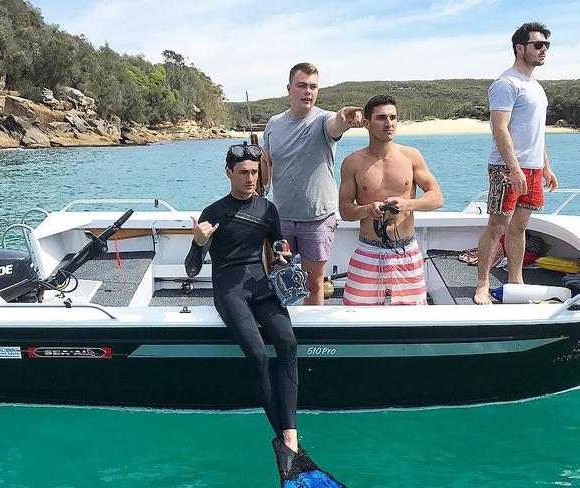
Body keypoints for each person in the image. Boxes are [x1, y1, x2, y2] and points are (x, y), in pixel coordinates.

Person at [185, 143, 345, 487]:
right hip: (229, 288)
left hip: (260, 285)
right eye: (242, 172)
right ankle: (289, 445)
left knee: (287, 344)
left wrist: (283, 254)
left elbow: (277, 247)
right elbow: (192, 269)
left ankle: (289, 436)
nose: (249, 179)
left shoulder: (267, 209)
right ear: (228, 173)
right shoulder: (213, 211)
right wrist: (199, 242)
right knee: (258, 354)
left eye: (254, 172)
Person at [260, 62, 363, 305]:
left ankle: (310, 336)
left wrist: (345, 118)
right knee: (279, 278)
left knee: (313, 282)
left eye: (313, 87)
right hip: (281, 217)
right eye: (302, 85)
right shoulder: (274, 124)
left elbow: (336, 125)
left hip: (317, 219)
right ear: (289, 88)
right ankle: (283, 330)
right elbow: (267, 162)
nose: (308, 91)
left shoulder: (323, 120)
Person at [473, 22, 558, 305]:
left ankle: (516, 279)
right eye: (538, 45)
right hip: (506, 168)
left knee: (519, 227)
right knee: (497, 226)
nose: (543, 49)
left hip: (532, 168)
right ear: (520, 48)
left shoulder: (536, 87)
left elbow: (536, 132)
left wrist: (545, 165)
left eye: (546, 45)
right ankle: (483, 284)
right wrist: (513, 168)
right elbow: (500, 129)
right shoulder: (506, 84)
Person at [339, 95, 443, 306]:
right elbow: (345, 211)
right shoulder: (352, 163)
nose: (389, 123)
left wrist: (407, 204)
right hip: (367, 251)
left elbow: (436, 197)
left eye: (393, 117)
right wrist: (368, 209)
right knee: (355, 319)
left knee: (412, 322)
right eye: (381, 118)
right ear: (367, 124)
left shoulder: (411, 156)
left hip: (406, 252)